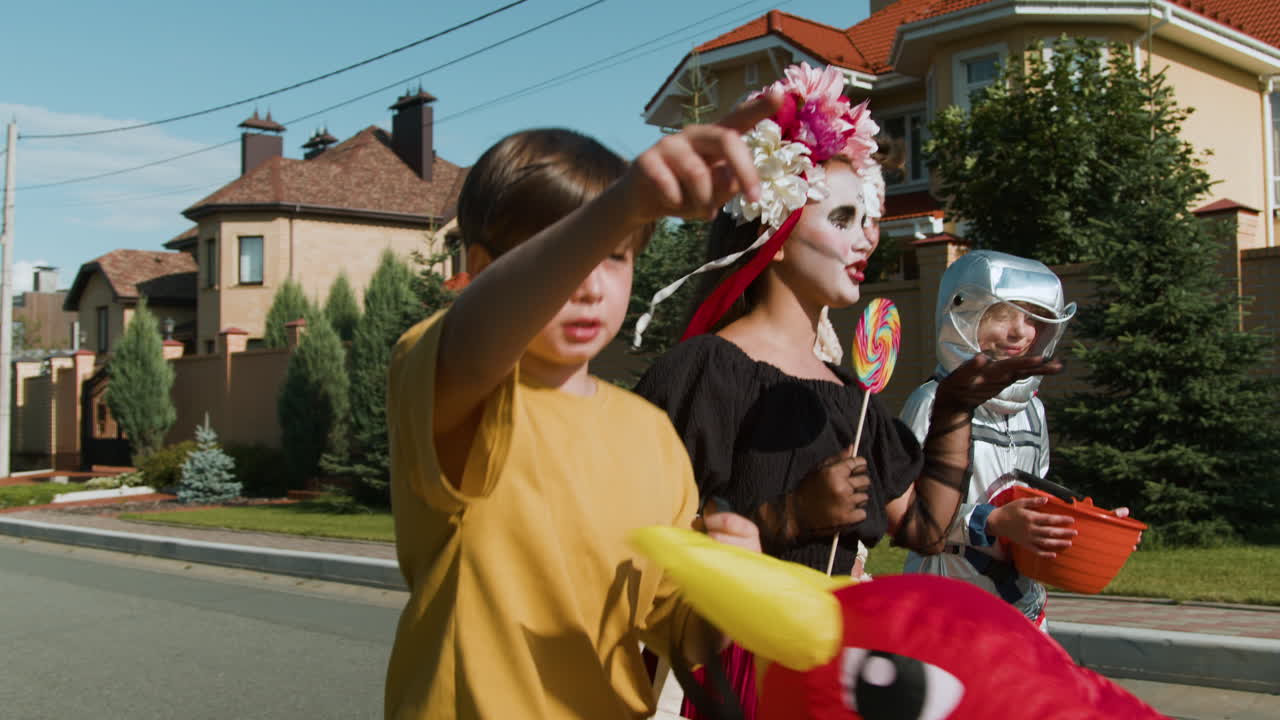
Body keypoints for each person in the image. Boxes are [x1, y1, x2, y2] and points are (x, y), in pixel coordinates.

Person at [632, 63, 1064, 718]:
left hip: (831, 678)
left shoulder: (847, 391)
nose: (868, 237)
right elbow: (644, 549)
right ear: (773, 234)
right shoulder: (701, 371)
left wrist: (952, 406)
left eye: (868, 217)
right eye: (843, 216)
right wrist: (790, 516)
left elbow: (925, 528)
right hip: (732, 678)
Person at [383, 96, 780, 720]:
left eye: (617, 256)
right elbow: (476, 334)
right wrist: (622, 204)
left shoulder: (650, 434)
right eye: (569, 253)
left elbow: (678, 632)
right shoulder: (456, 385)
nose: (592, 283)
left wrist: (728, 587)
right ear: (482, 270)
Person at [901, 250, 1079, 628]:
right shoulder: (932, 403)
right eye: (1003, 315)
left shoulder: (1032, 410)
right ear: (964, 316)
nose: (1021, 331)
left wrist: (1081, 520)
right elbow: (906, 510)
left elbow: (1033, 496)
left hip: (1022, 605)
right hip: (947, 603)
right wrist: (990, 521)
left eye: (1033, 318)